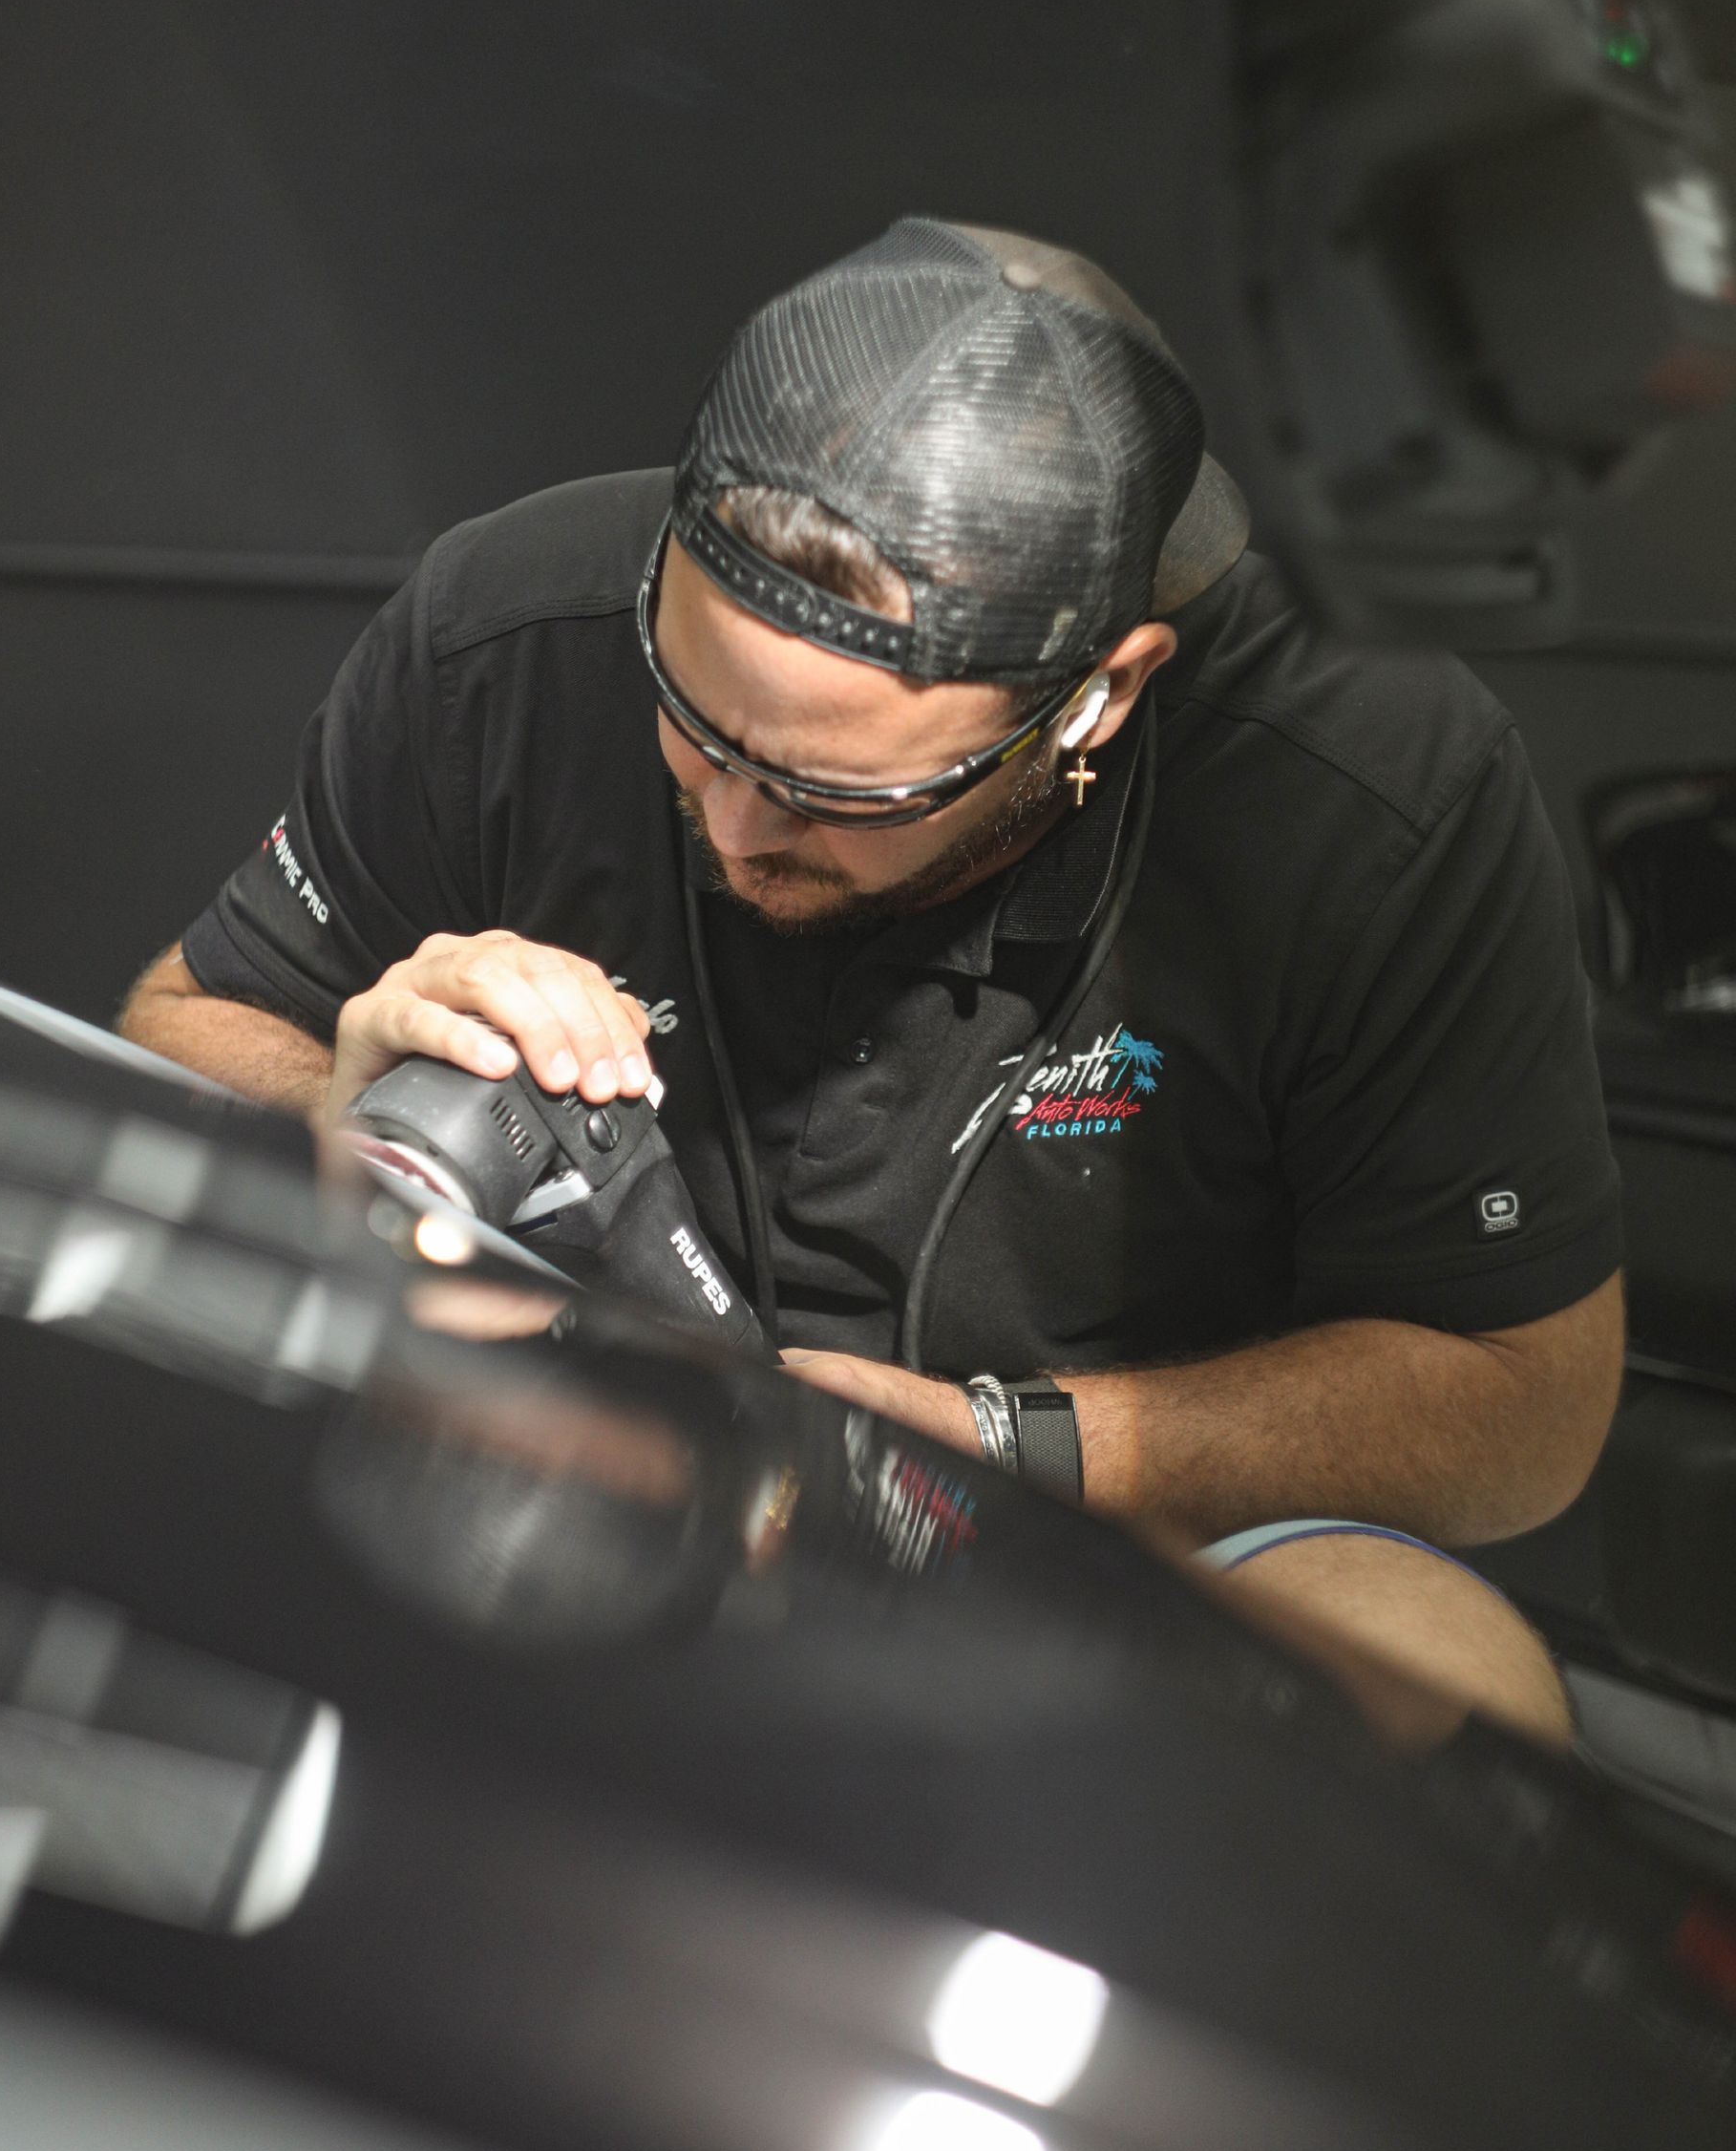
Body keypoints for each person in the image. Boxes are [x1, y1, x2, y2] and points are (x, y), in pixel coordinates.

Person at [122, 218, 1624, 1744]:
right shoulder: (504, 632)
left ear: (1098, 699)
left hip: (1104, 1542)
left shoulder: (1373, 791)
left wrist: (1018, 1451)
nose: (731, 825)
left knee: (1451, 1688)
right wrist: (344, 1114)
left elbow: (1528, 1399)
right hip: (553, 1454)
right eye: (692, 719)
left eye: (838, 791)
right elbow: (180, 1027)